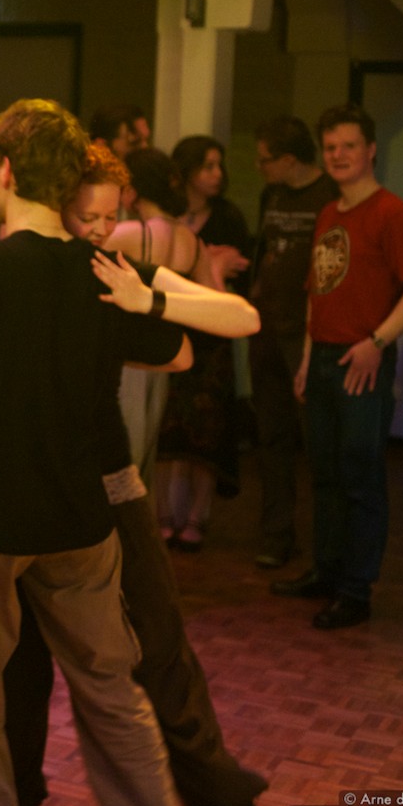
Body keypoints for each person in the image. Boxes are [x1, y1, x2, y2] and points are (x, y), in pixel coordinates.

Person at [0, 99, 190, 806]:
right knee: (110, 691)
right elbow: (176, 352)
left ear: (1, 170)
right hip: (80, 522)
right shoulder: (99, 270)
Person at [0, 142, 296, 806]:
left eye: (112, 216)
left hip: (106, 485)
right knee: (21, 665)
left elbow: (233, 323)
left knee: (160, 648)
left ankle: (225, 802)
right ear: (56, 209)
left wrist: (149, 300)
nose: (102, 229)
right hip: (25, 492)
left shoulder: (114, 271)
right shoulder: (11, 271)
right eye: (88, 215)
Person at [273, 103, 403, 630]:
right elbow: (317, 291)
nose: (338, 155)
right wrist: (306, 359)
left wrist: (377, 342)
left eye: (348, 146)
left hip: (360, 360)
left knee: (360, 476)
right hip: (323, 357)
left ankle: (355, 590)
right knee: (324, 473)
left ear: (370, 150)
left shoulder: (393, 214)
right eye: (331, 147)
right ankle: (326, 571)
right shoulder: (329, 213)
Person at [248, 116, 340, 569]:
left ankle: (327, 548)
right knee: (271, 435)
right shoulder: (272, 194)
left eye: (265, 159)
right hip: (265, 327)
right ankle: (277, 535)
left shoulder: (329, 196)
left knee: (316, 440)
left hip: (305, 334)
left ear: (288, 159)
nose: (259, 167)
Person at [152, 134, 252, 549]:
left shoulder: (228, 217)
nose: (217, 174)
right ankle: (164, 513)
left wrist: (212, 270)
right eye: (207, 166)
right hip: (171, 330)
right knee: (168, 429)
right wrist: (210, 264)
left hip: (211, 339)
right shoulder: (168, 219)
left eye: (219, 166)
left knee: (207, 429)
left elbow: (238, 277)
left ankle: (197, 516)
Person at [104, 148, 218, 496]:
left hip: (129, 358)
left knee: (120, 456)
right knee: (145, 457)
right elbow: (214, 300)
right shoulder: (192, 241)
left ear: (132, 189)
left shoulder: (128, 233)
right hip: (166, 358)